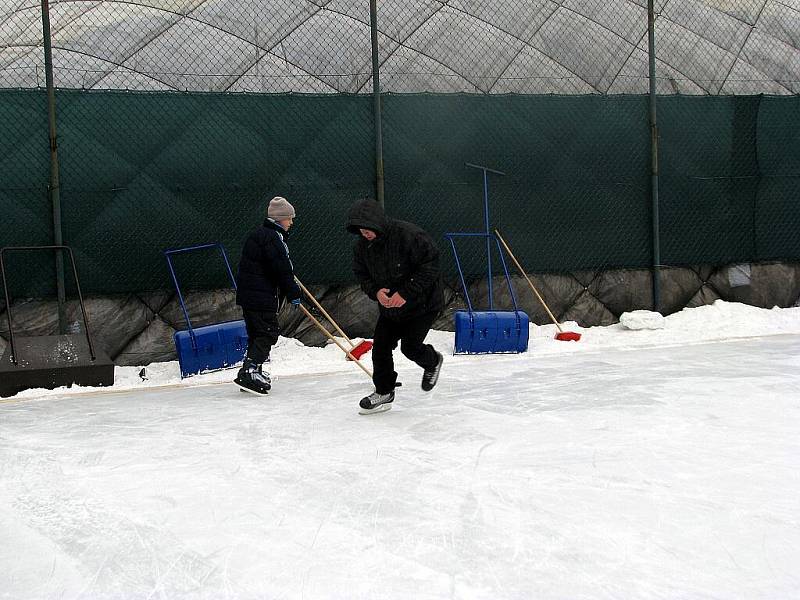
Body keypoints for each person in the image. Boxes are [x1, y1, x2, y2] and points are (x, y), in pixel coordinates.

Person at [346, 198, 444, 414]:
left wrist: (406, 293)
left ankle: (433, 361)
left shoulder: (409, 236)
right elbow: (361, 274)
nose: (365, 234)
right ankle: (384, 391)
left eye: (368, 229)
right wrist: (375, 292)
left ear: (377, 223)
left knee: (410, 348)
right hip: (391, 306)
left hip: (422, 304)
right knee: (380, 347)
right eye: (361, 231)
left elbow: (431, 265)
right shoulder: (362, 247)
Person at [234, 196, 302, 394]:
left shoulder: (261, 235)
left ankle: (253, 370)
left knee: (257, 334)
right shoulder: (273, 238)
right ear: (280, 219)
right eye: (289, 218)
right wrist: (293, 293)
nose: (291, 223)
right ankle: (250, 371)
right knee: (267, 332)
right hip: (261, 295)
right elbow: (281, 270)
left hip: (250, 295)